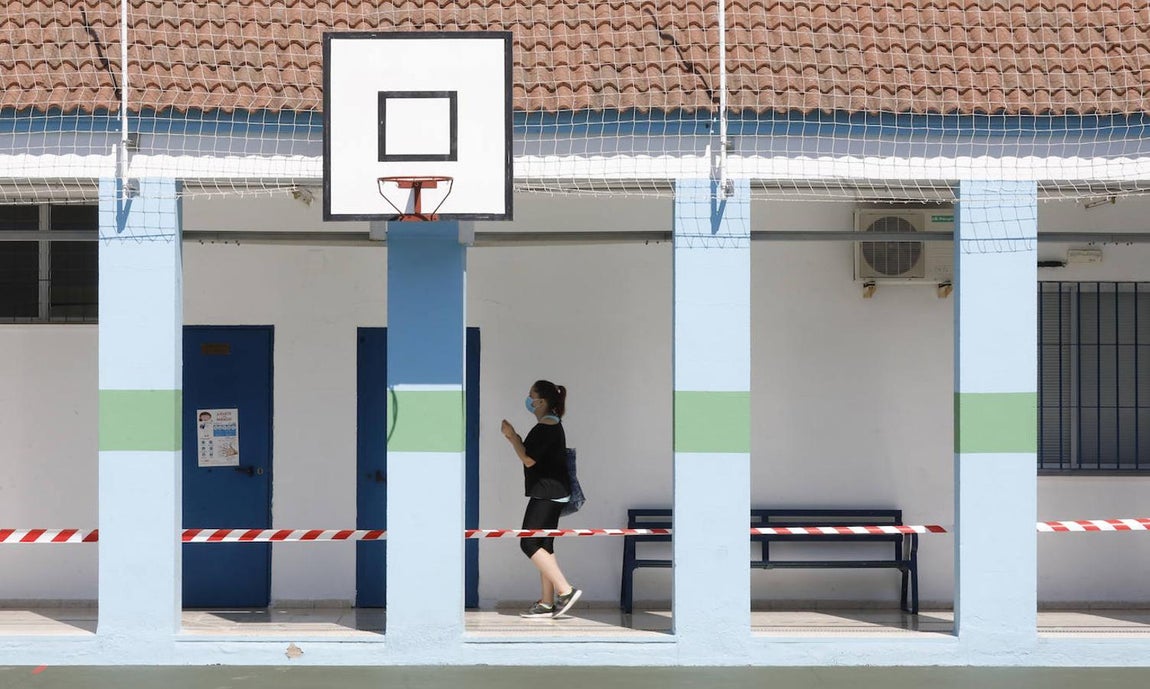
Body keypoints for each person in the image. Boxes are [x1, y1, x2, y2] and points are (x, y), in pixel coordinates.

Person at [500, 379, 582, 618]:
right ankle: (547, 602)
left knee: (528, 542)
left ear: (541, 401)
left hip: (547, 492)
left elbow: (528, 459)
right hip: (554, 491)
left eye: (531, 395)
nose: (528, 399)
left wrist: (512, 436)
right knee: (544, 545)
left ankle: (565, 591)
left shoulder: (546, 427)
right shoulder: (553, 424)